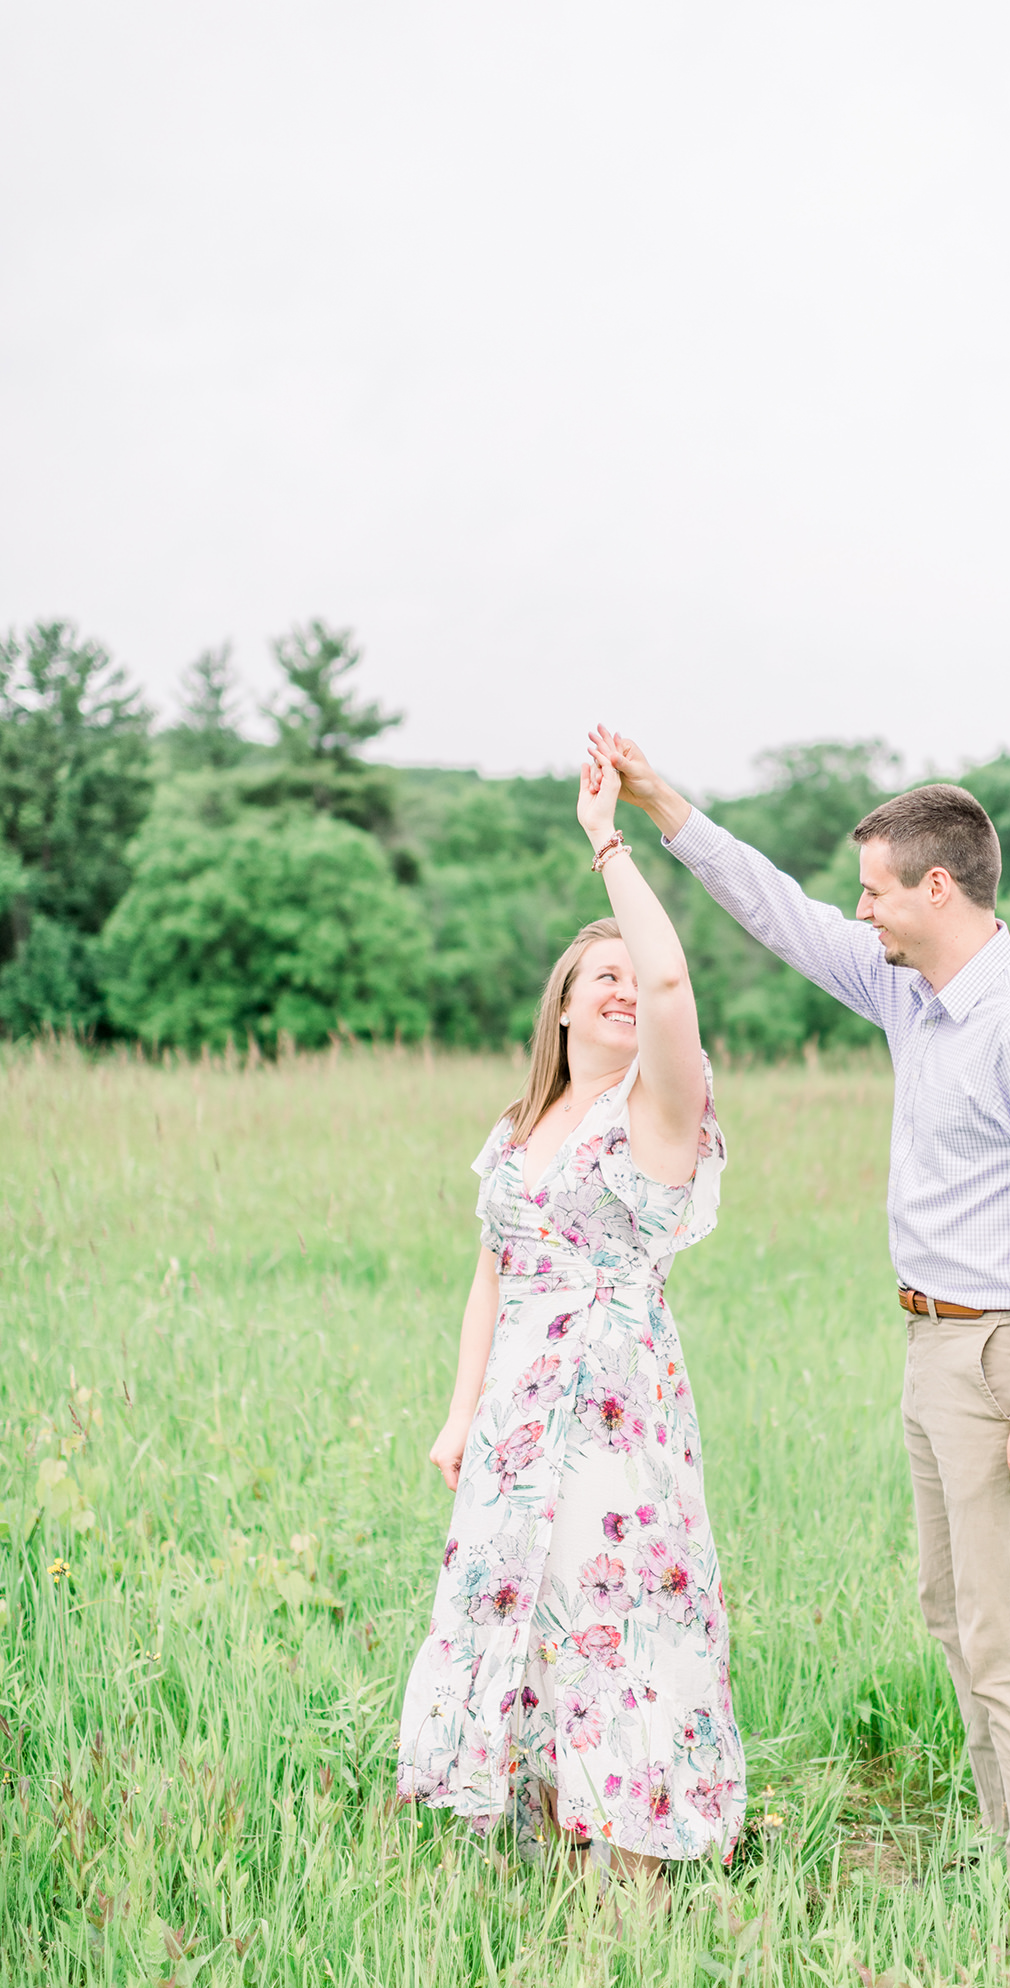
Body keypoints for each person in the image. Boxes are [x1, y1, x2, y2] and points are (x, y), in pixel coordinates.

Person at [587, 723, 1010, 1898]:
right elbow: (778, 911)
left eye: (877, 891)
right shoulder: (914, 996)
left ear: (938, 887)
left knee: (1009, 1646)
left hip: (1001, 1355)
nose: (861, 911)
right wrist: (663, 808)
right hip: (933, 1344)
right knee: (955, 1619)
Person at [396, 753, 746, 1898]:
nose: (616, 987)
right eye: (593, 974)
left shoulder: (655, 1108)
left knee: (619, 1605)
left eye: (623, 976)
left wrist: (608, 845)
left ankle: (635, 1860)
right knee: (525, 1607)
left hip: (612, 1401)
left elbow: (676, 986)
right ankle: (550, 1839)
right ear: (558, 1004)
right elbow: (489, 1279)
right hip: (512, 1412)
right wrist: (459, 1418)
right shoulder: (517, 1128)